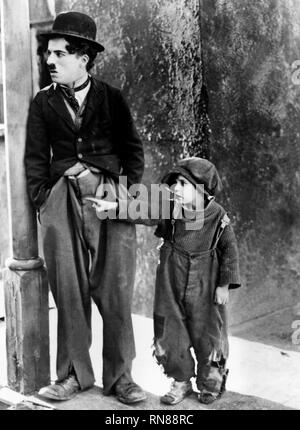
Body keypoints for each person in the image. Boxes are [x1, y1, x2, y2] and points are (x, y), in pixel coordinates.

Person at [25, 11, 146, 404]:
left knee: (116, 290)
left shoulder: (111, 98)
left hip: (109, 198)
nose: (50, 61)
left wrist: (123, 196)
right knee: (68, 290)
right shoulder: (42, 103)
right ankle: (73, 375)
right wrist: (44, 198)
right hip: (61, 197)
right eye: (48, 54)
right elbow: (34, 160)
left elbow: (133, 152)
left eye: (59, 54)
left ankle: (122, 378)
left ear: (83, 58)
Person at [91, 157, 241, 405]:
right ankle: (181, 381)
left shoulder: (218, 218)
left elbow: (230, 252)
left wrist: (224, 285)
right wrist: (113, 206)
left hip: (206, 287)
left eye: (183, 184)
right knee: (170, 336)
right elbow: (142, 210)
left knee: (209, 337)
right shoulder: (170, 209)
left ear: (203, 189)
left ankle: (210, 383)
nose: (175, 189)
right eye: (174, 183)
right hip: (171, 284)